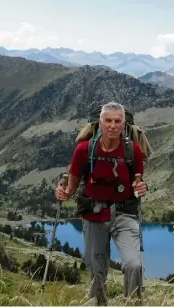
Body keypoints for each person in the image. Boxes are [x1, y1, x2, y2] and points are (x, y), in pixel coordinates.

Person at [55, 102, 148, 305]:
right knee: (97, 270)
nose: (112, 126)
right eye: (108, 121)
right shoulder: (84, 151)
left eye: (117, 121)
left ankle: (133, 303)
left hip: (124, 214)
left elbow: (138, 184)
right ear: (100, 122)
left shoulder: (133, 150)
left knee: (134, 264)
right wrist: (63, 192)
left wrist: (142, 188)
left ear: (124, 124)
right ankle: (98, 302)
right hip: (94, 215)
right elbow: (71, 187)